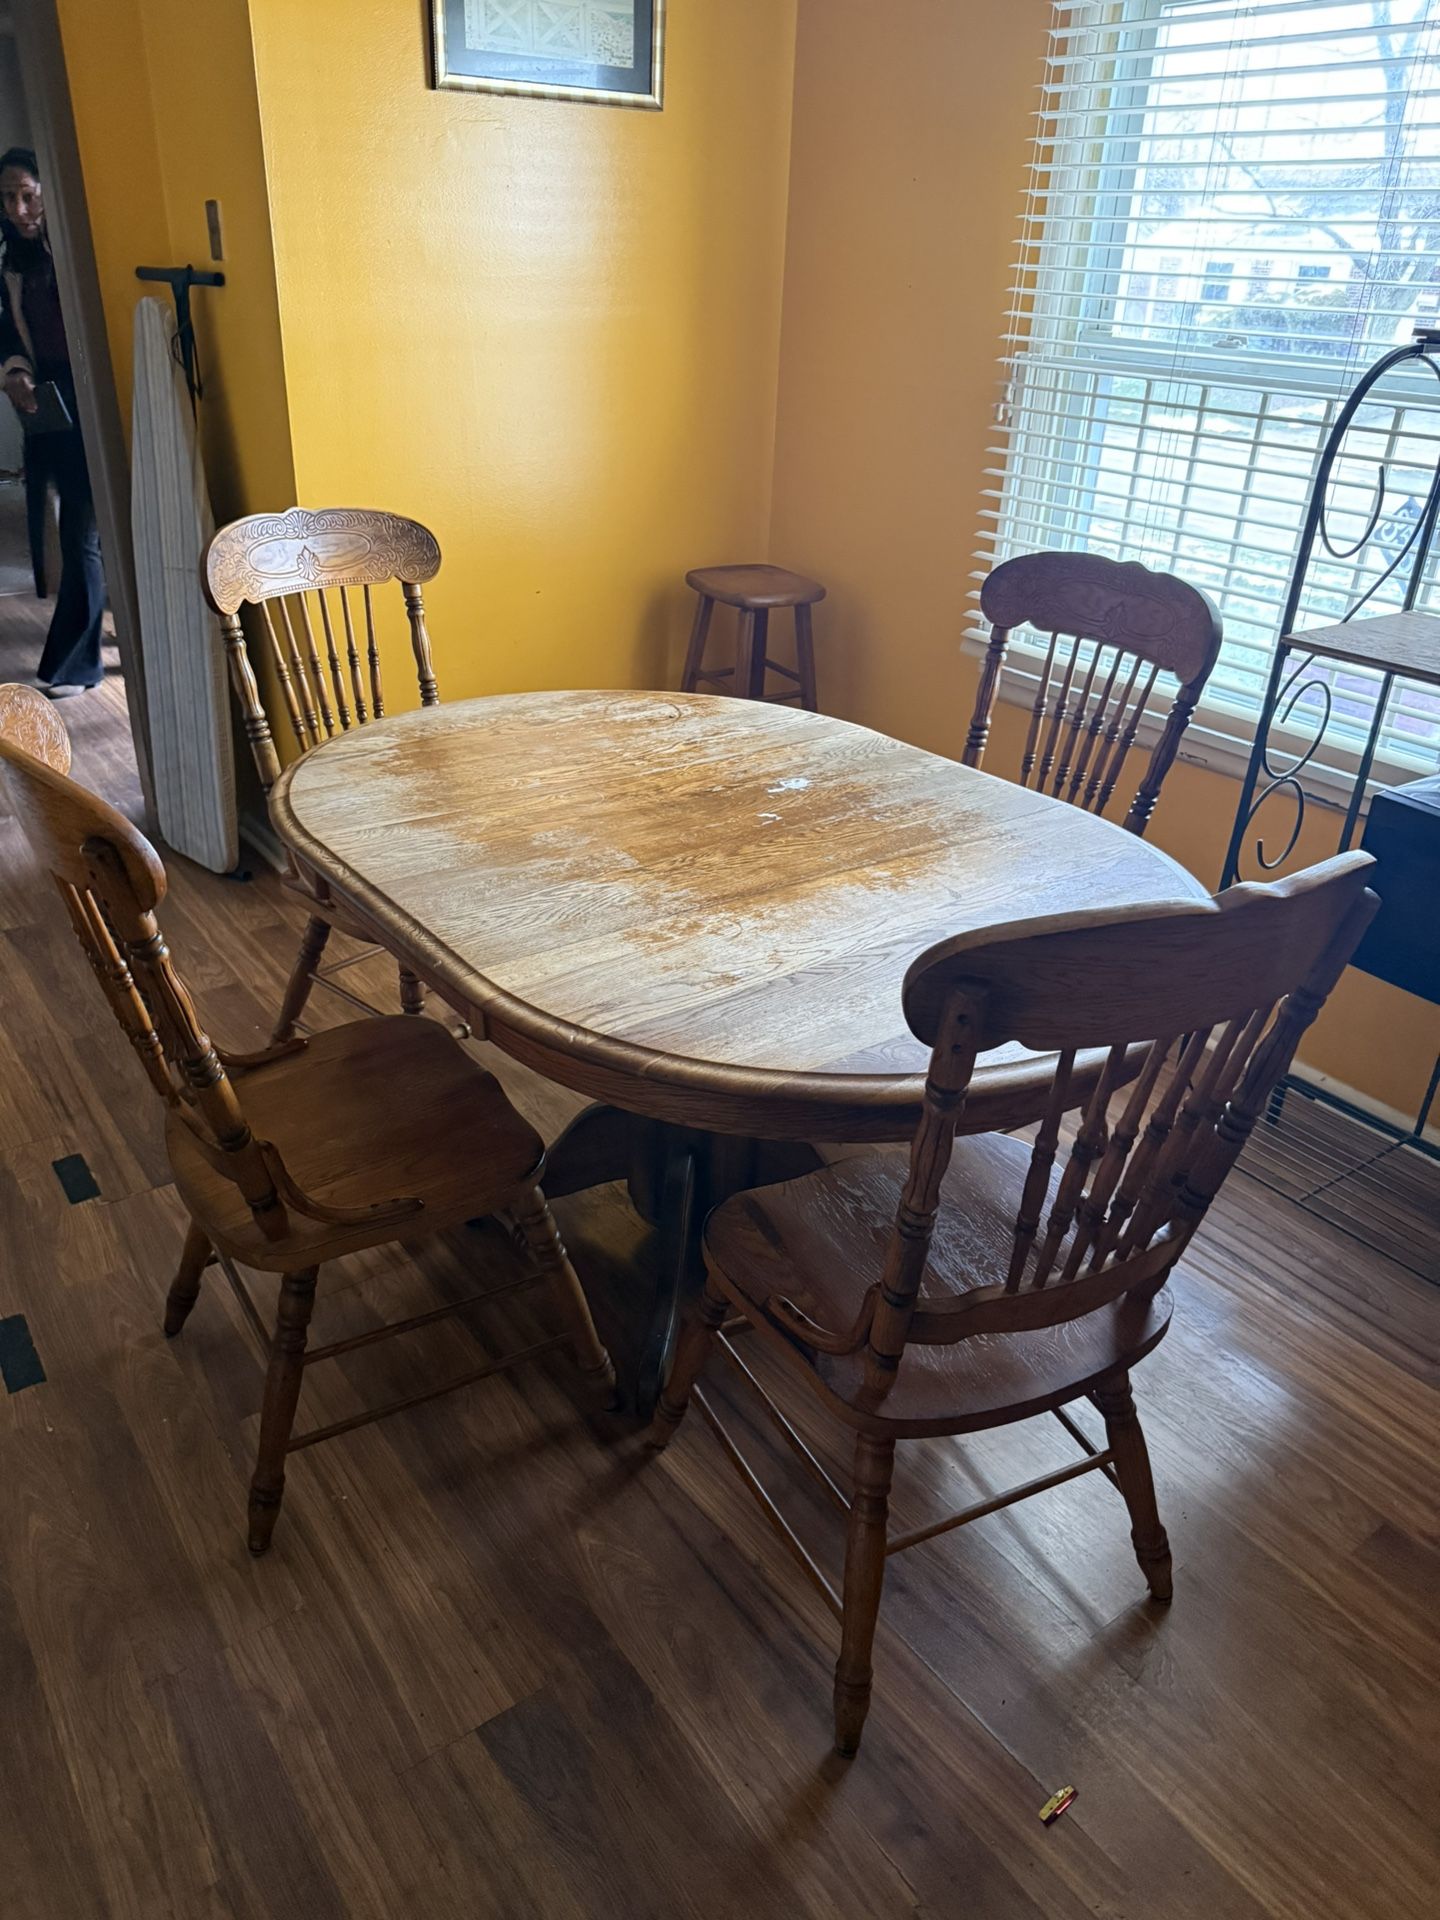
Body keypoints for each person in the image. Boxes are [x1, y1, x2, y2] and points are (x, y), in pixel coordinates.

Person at [0, 145, 106, 696]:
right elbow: (10, 333)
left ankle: (75, 666)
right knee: (78, 532)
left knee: (82, 535)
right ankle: (93, 651)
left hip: (95, 398)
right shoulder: (12, 263)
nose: (20, 208)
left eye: (28, 194)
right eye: (9, 197)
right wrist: (14, 370)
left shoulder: (73, 243)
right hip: (51, 403)